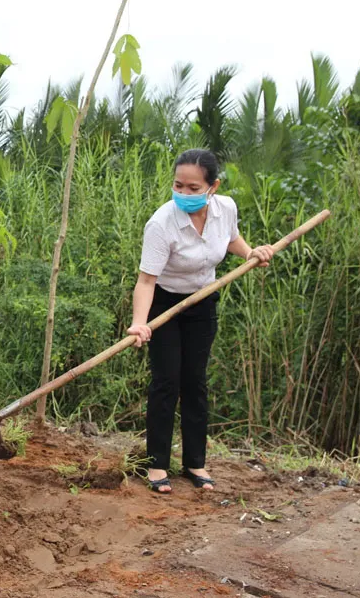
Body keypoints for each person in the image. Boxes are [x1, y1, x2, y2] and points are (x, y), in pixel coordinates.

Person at [126, 149, 274, 493]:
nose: (184, 194)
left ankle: (196, 463)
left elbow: (230, 239)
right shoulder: (161, 224)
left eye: (194, 188)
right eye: (179, 186)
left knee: (195, 382)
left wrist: (250, 252)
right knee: (166, 382)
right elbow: (146, 281)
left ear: (213, 186)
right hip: (164, 303)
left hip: (202, 300)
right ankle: (157, 466)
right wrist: (139, 322)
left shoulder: (226, 209)